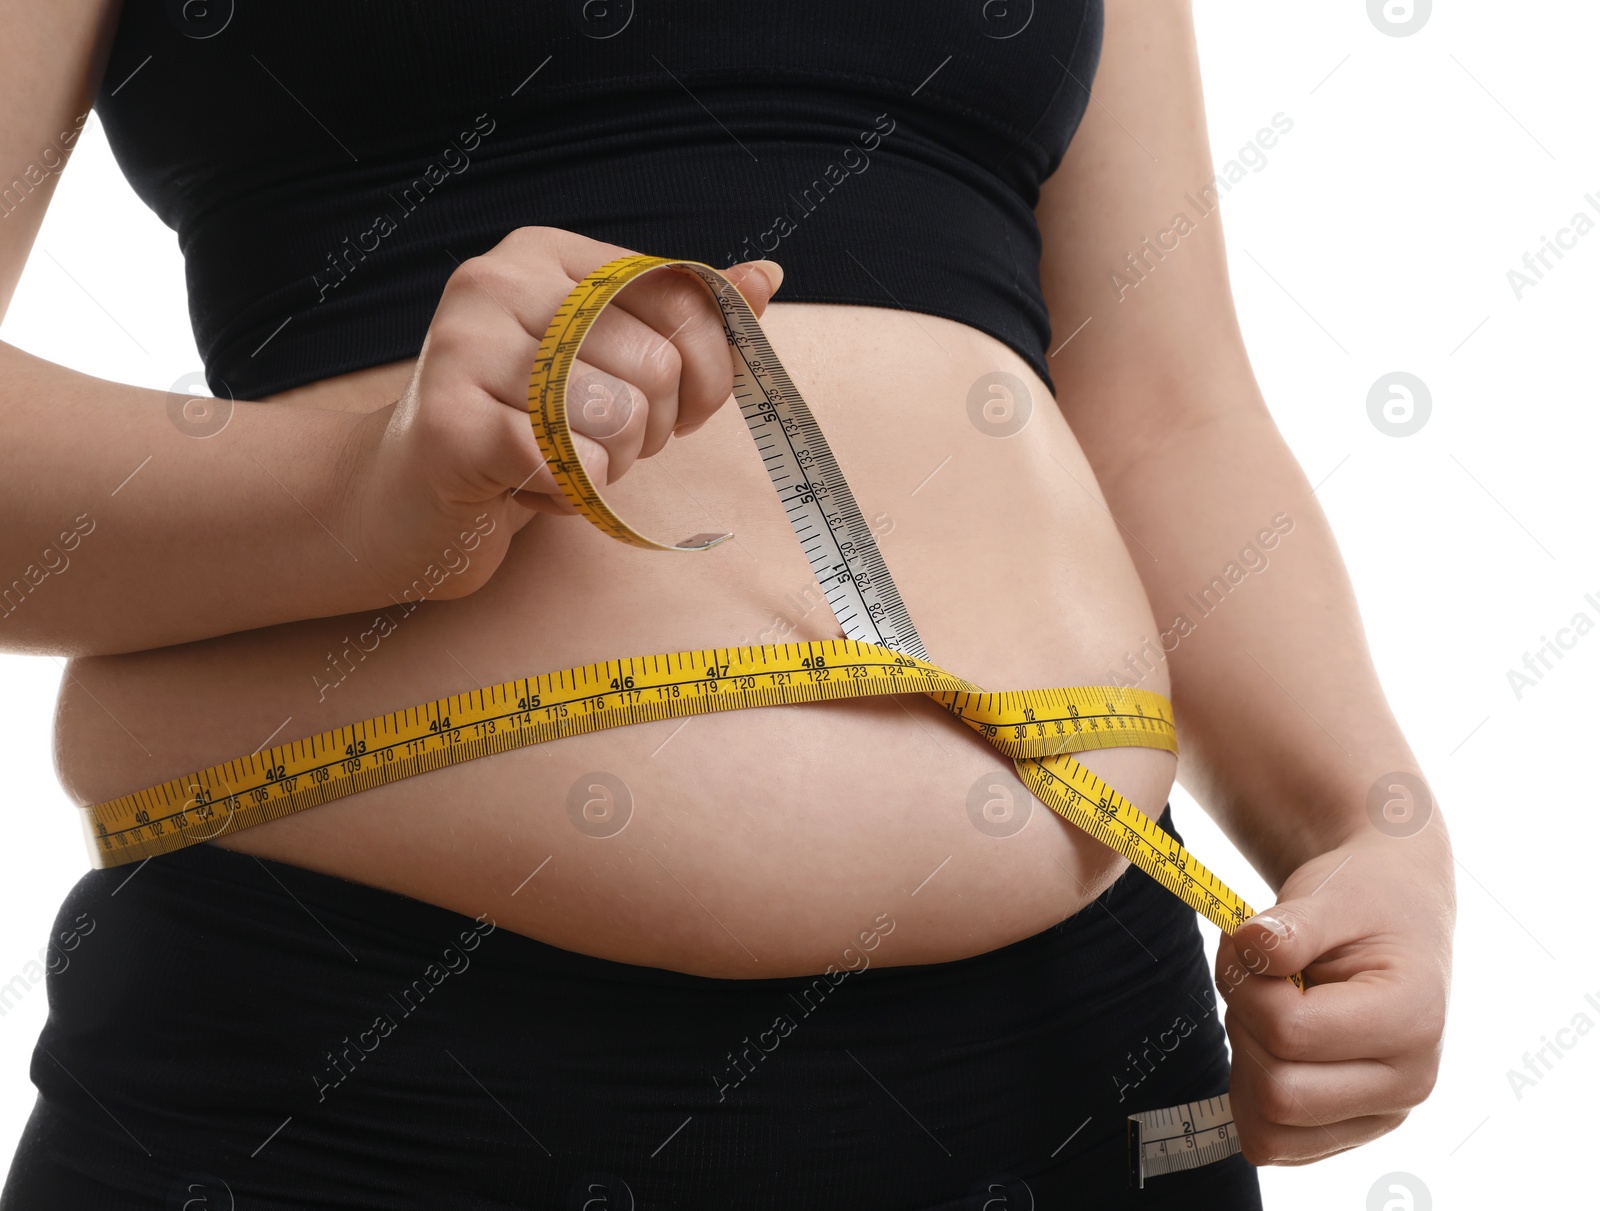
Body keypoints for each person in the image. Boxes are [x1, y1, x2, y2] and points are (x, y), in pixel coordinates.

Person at [0, 1, 1454, 1207]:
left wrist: (1368, 831)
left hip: (1077, 1065)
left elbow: (1166, 407)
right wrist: (360, 490)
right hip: (354, 1086)